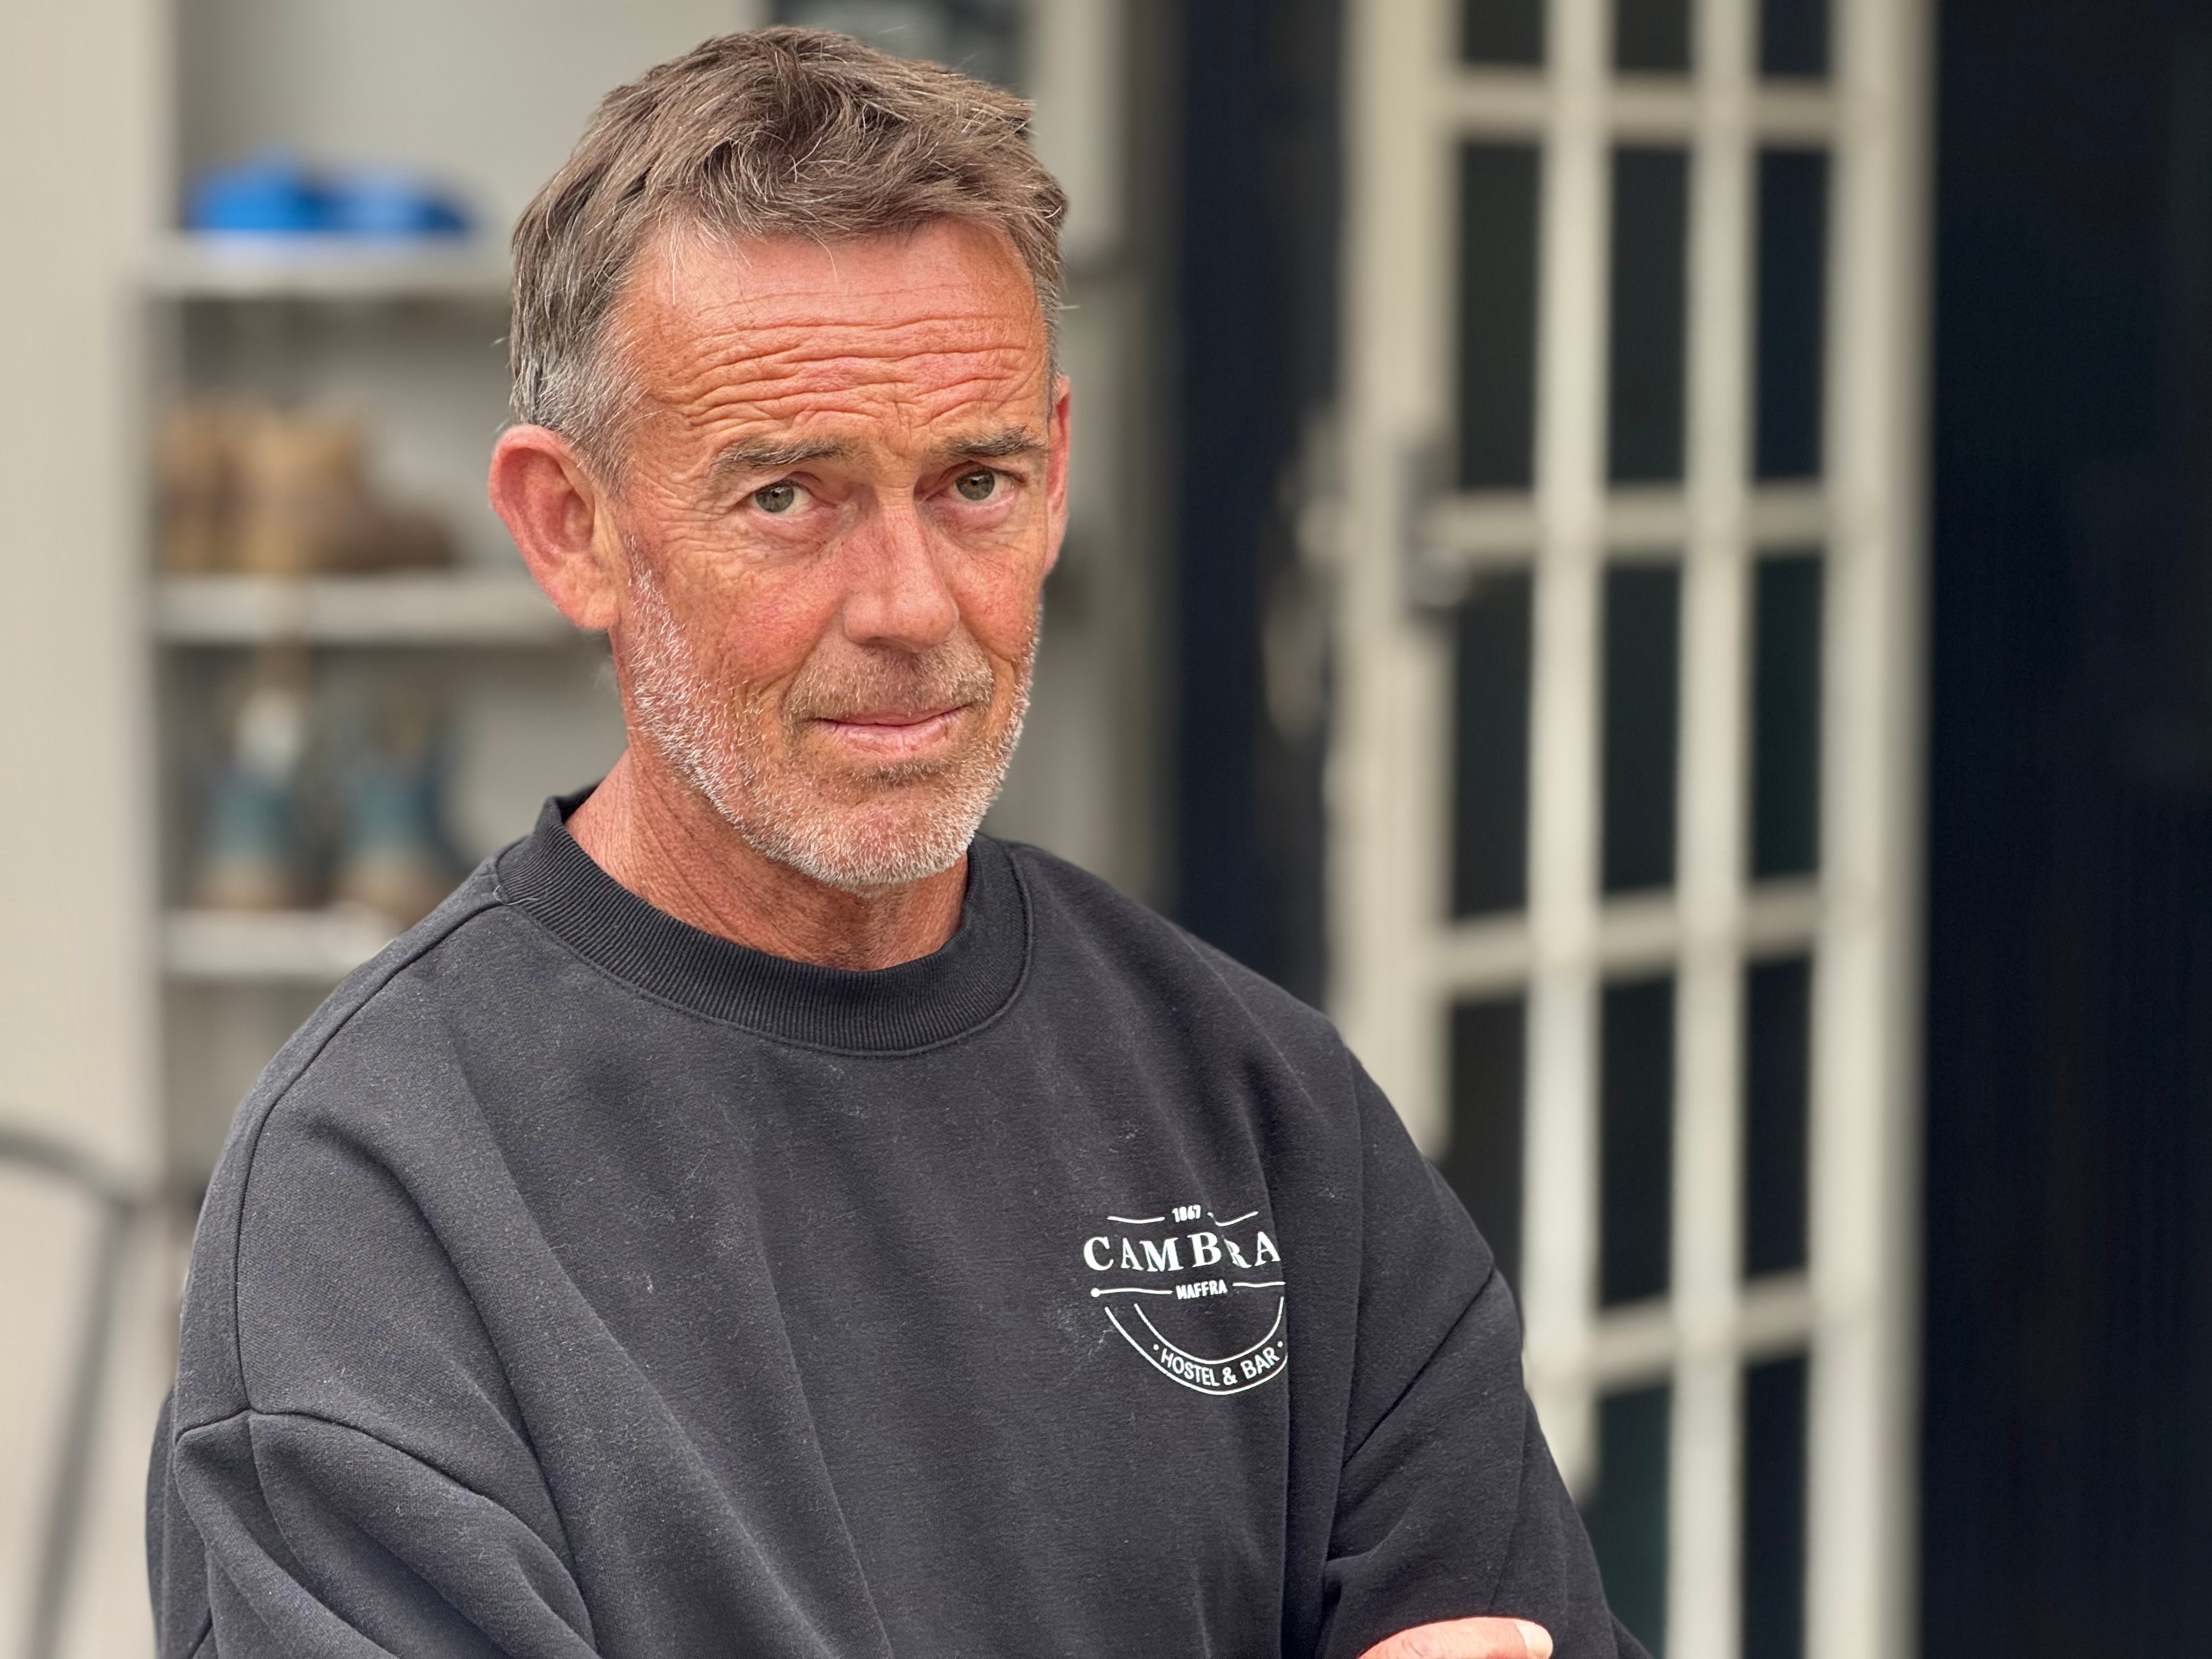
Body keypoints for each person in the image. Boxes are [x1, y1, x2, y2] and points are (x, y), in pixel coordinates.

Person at [146, 28, 1644, 1659]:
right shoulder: (382, 1194)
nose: (913, 609)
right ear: (569, 527)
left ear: (1060, 474)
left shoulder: (1267, 1115)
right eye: (788, 495)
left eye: (976, 482)